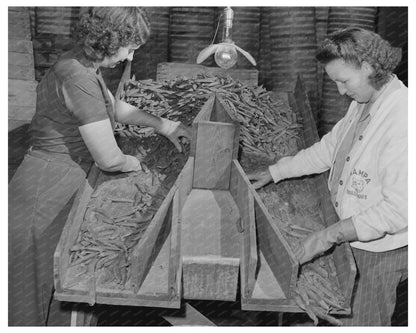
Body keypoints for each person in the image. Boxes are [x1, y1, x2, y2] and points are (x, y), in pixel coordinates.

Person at [8, 7, 191, 326]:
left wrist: (163, 125)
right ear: (110, 39)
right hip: (46, 191)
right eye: (129, 47)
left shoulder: (79, 62)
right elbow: (109, 158)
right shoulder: (77, 76)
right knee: (29, 293)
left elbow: (110, 106)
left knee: (60, 284)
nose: (131, 57)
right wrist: (137, 164)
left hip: (60, 179)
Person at [248, 27, 407, 326]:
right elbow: (329, 149)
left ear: (369, 67)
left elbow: (399, 210)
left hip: (380, 252)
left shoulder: (403, 121)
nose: (340, 91)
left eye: (343, 81)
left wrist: (326, 235)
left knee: (364, 322)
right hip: (351, 233)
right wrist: (276, 171)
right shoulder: (364, 102)